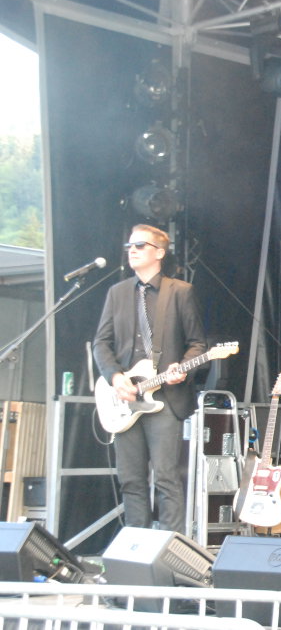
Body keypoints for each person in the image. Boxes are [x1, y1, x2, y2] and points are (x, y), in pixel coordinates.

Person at [94, 224, 207, 534]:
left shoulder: (180, 291)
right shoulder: (117, 293)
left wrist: (182, 368)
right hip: (126, 398)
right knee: (130, 479)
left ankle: (170, 549)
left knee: (166, 477)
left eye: (140, 245)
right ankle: (135, 545)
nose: (132, 250)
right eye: (129, 246)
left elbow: (198, 344)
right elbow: (101, 343)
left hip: (164, 398)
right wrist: (115, 376)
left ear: (159, 253)